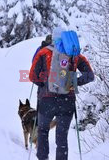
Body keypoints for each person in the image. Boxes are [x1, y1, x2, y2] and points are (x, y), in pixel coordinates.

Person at [29, 27, 94, 160]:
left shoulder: (43, 52)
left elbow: (32, 76)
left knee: (42, 131)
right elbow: (90, 75)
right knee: (62, 138)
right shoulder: (75, 55)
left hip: (46, 101)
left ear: (53, 38)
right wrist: (72, 83)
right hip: (67, 102)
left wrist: (44, 85)